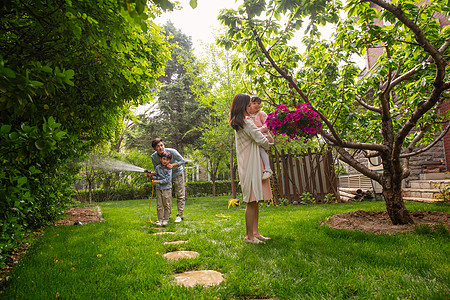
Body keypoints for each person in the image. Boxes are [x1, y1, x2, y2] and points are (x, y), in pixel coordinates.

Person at [229, 93, 273, 244]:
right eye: (248, 105)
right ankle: (249, 236)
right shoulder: (246, 122)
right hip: (250, 165)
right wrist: (269, 143)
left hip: (249, 163)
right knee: (251, 201)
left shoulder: (240, 122)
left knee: (255, 201)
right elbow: (260, 139)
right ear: (242, 106)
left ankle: (255, 232)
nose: (250, 107)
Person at [149, 138, 186, 223]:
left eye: (161, 145)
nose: (160, 148)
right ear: (154, 149)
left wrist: (172, 165)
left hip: (177, 174)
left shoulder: (172, 151)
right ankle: (166, 216)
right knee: (165, 197)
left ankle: (179, 215)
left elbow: (182, 161)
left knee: (180, 195)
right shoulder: (154, 157)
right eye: (158, 146)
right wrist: (152, 174)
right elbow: (157, 170)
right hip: (164, 177)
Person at [248, 96, 274, 180]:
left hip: (263, 135)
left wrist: (259, 130)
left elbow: (267, 124)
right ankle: (248, 174)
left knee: (260, 148)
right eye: (254, 103)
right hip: (254, 137)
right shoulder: (248, 116)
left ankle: (267, 168)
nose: (256, 105)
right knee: (250, 152)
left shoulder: (261, 114)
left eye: (258, 103)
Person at [151, 151, 173, 226]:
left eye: (167, 160)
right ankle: (160, 220)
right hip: (158, 189)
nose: (165, 161)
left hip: (166, 189)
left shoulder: (169, 168)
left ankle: (166, 219)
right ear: (160, 159)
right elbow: (156, 176)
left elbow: (167, 180)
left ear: (169, 161)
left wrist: (157, 181)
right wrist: (151, 177)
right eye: (164, 159)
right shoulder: (157, 167)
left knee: (166, 205)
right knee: (159, 205)